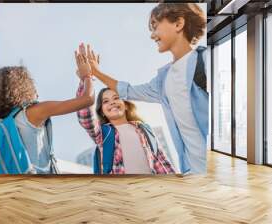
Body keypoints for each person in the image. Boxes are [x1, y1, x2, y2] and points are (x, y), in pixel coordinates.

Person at [78, 3, 207, 174]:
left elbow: (159, 159)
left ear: (178, 24)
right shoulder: (162, 81)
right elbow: (128, 90)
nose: (153, 35)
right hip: (191, 170)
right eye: (106, 101)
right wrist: (93, 74)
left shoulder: (204, 61)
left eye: (155, 26)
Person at [75, 46, 175, 175]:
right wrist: (86, 78)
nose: (112, 102)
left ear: (126, 104)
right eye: (106, 101)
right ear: (102, 111)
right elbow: (85, 116)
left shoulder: (144, 129)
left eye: (116, 98)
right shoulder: (103, 133)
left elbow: (161, 161)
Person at [0, 63, 94, 174]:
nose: (37, 93)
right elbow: (87, 99)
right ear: (22, 88)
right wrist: (86, 76)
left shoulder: (4, 125)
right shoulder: (33, 112)